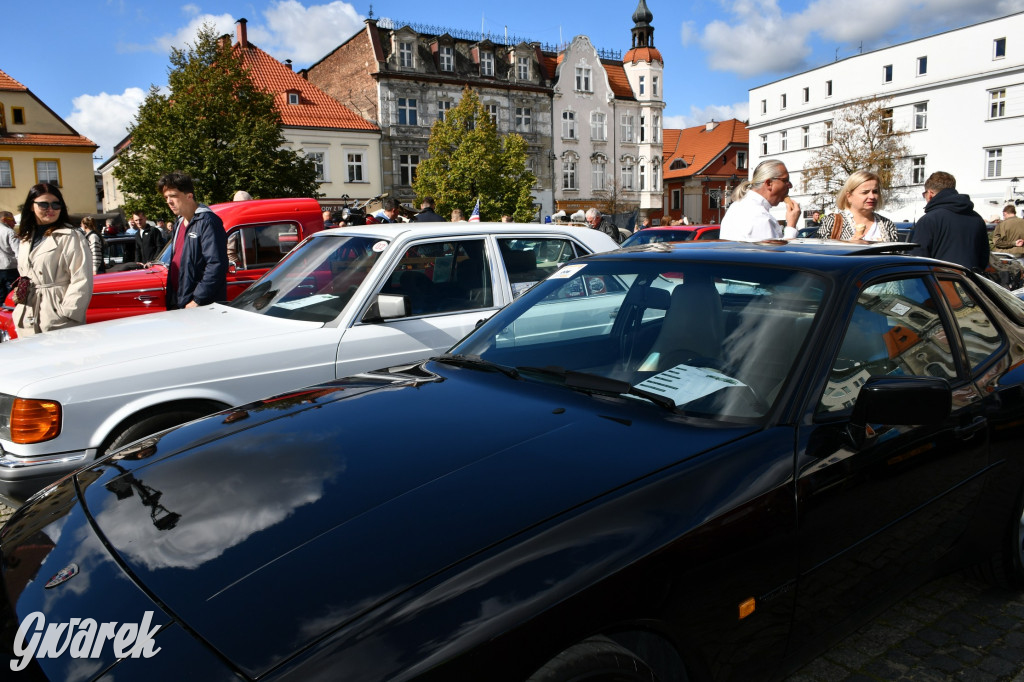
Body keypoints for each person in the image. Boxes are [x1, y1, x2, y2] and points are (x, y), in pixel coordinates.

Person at [12, 183, 93, 335]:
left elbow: (82, 279)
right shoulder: (26, 238)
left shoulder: (71, 236)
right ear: (31, 206)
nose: (51, 209)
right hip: (27, 313)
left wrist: (67, 313)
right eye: (44, 204)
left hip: (56, 315)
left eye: (56, 205)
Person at [159, 172, 228, 309]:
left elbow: (216, 264)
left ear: (189, 196)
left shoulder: (207, 222)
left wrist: (197, 300)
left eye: (173, 196)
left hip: (200, 307)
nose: (168, 201)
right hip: (179, 301)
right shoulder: (178, 223)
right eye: (166, 197)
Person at [908, 171, 989, 271]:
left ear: (930, 193)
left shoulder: (929, 220)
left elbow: (917, 260)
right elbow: (984, 257)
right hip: (969, 282)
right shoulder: (977, 218)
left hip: (939, 283)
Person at [720, 159, 800, 241]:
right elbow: (775, 253)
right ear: (769, 183)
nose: (790, 186)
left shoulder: (736, 206)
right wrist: (791, 226)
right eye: (785, 181)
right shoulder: (761, 217)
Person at [817, 170, 897, 242]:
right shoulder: (833, 222)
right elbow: (818, 254)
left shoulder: (886, 224)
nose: (872, 197)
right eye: (865, 192)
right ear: (849, 196)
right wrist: (848, 247)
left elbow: (896, 255)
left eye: (875, 192)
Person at [0, 211, 21, 302]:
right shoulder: (10, 232)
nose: (15, 223)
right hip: (10, 269)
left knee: (0, 297)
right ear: (4, 220)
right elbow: (18, 252)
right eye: (12, 220)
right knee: (11, 296)